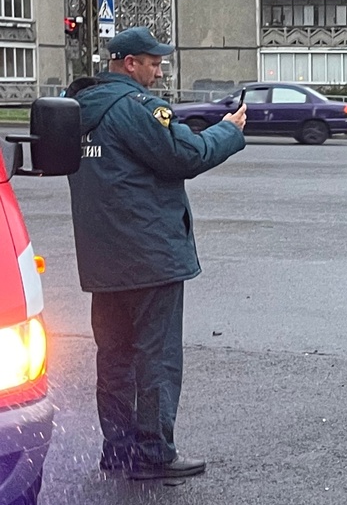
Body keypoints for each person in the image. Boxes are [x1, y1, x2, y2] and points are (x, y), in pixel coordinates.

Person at [66, 27, 247, 480]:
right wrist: (229, 132)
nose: (159, 70)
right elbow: (184, 155)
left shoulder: (78, 110)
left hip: (102, 261)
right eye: (154, 62)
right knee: (156, 357)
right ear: (130, 63)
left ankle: (119, 450)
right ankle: (153, 454)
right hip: (149, 257)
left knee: (113, 358)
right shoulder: (134, 108)